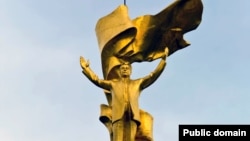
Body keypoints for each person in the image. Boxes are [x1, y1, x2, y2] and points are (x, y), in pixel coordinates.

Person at [80, 48, 168, 141]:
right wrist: (87, 68)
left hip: (132, 116)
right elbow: (97, 80)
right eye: (123, 68)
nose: (125, 70)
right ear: (120, 71)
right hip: (118, 116)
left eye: (127, 68)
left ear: (130, 71)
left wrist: (163, 61)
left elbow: (153, 76)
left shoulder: (137, 83)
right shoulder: (113, 84)